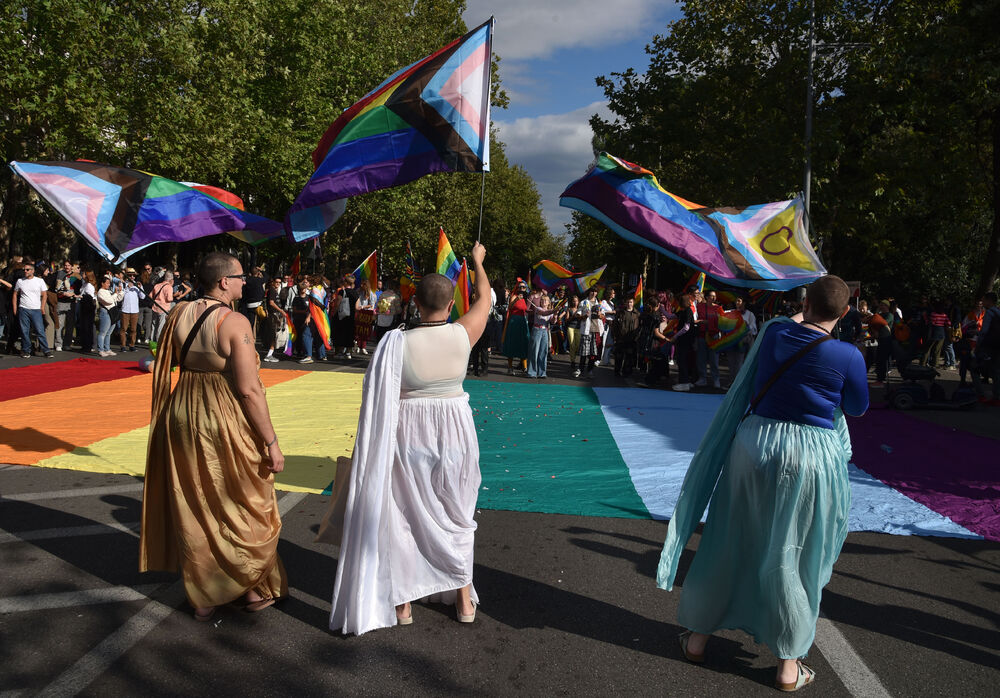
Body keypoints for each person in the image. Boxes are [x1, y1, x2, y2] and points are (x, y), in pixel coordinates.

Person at [657, 275, 868, 692]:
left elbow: (789, 325)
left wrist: (807, 309)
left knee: (729, 539)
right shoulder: (848, 355)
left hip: (755, 444)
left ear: (804, 304)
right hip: (811, 454)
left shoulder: (774, 335)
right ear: (845, 313)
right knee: (797, 549)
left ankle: (697, 639)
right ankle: (788, 665)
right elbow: (857, 407)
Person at [323, 242, 491, 635]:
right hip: (455, 431)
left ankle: (403, 603)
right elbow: (485, 297)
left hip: (409, 431)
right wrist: (478, 262)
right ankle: (463, 597)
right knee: (457, 512)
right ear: (451, 305)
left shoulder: (395, 343)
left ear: (415, 304)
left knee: (403, 511)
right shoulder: (463, 334)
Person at [140, 252, 287, 621]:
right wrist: (271, 442)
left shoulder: (178, 312)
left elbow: (170, 359)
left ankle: (207, 596)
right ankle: (246, 585)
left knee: (196, 505)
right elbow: (248, 390)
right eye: (240, 277)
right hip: (220, 416)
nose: (245, 282)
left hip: (181, 411)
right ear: (224, 282)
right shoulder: (234, 321)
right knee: (239, 500)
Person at [12, 262, 54, 358]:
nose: (25, 271)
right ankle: (26, 350)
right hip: (23, 309)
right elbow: (15, 294)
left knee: (40, 330)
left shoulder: (39, 281)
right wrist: (15, 308)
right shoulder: (20, 281)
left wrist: (42, 307)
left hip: (36, 309)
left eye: (27, 270)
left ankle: (46, 350)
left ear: (33, 271)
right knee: (24, 331)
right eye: (24, 270)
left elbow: (44, 295)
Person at [975, 291, 1000, 405]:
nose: (982, 302)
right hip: (998, 345)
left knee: (974, 367)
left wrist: (978, 345)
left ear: (989, 301)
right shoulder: (998, 312)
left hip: (988, 346)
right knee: (996, 371)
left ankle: (980, 395)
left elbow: (984, 332)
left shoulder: (989, 313)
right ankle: (997, 397)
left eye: (984, 300)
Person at [501, 280, 530, 375]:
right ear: (517, 288)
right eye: (520, 287)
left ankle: (524, 367)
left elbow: (525, 310)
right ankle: (510, 368)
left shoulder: (526, 298)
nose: (522, 289)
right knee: (512, 343)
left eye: (523, 287)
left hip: (522, 322)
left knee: (523, 343)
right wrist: (517, 299)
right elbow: (509, 307)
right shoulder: (514, 296)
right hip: (514, 322)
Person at [96, 275, 124, 357]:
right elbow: (109, 301)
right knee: (103, 332)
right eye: (107, 283)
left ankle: (107, 349)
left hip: (113, 312)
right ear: (102, 283)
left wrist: (120, 292)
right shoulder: (100, 292)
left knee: (109, 333)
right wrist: (115, 294)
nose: (109, 285)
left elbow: (117, 299)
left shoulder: (108, 291)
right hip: (105, 312)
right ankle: (101, 350)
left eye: (109, 283)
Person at [612, 296, 641, 377]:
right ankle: (617, 371)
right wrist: (615, 336)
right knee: (619, 357)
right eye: (627, 302)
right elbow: (615, 325)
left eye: (630, 302)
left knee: (629, 357)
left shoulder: (637, 314)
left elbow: (639, 327)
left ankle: (626, 372)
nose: (629, 304)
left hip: (631, 339)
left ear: (633, 303)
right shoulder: (620, 313)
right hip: (620, 338)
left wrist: (636, 337)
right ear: (625, 303)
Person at [118, 268, 145, 352]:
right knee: (124, 328)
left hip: (134, 310)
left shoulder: (137, 284)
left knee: (133, 329)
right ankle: (123, 346)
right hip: (125, 310)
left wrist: (140, 288)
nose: (132, 277)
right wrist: (127, 287)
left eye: (133, 275)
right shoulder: (122, 284)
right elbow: (120, 296)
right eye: (130, 275)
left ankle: (132, 345)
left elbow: (143, 297)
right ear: (127, 276)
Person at [149, 271, 175, 342]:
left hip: (155, 307)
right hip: (163, 308)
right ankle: (158, 342)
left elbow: (150, 295)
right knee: (160, 326)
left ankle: (151, 341)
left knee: (154, 325)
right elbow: (169, 299)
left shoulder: (157, 285)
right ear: (171, 279)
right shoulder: (169, 287)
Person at [354, 279, 377, 354]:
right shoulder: (358, 291)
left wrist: (363, 307)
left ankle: (363, 347)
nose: (361, 285)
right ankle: (358, 346)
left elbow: (371, 304)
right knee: (358, 329)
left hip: (366, 313)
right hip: (359, 312)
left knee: (365, 330)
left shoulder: (370, 293)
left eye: (363, 284)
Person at [77, 271, 97, 353]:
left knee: (88, 327)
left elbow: (90, 298)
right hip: (83, 306)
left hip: (88, 307)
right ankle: (84, 345)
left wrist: (81, 297)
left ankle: (88, 345)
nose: (83, 275)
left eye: (84, 274)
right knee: (84, 326)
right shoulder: (85, 284)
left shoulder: (89, 286)